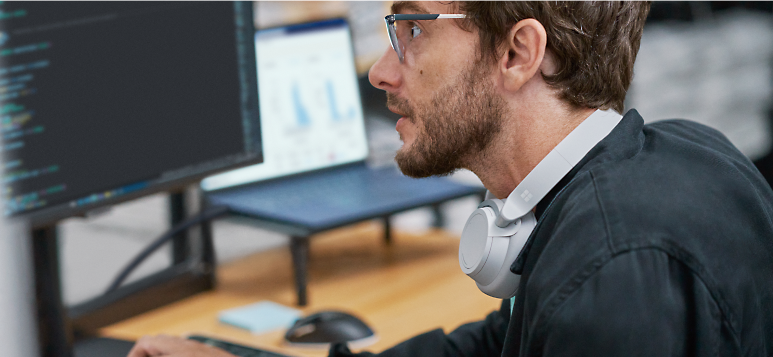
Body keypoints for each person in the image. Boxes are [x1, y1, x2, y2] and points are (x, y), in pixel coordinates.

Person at [129, 0, 773, 355]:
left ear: (517, 53)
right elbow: (495, 350)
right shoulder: (687, 152)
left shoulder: (609, 269)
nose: (382, 70)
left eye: (411, 29)